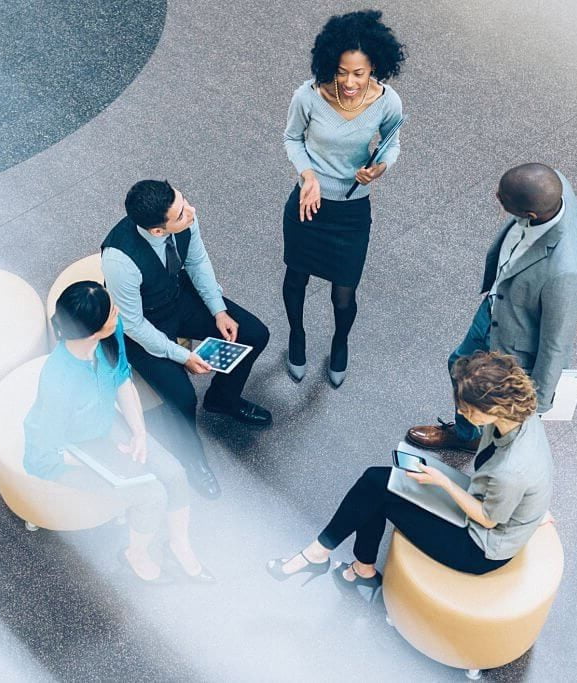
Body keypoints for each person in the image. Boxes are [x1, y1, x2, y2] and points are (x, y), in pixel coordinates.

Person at [268, 351, 554, 599]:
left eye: (468, 410)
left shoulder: (512, 470)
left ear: (494, 408)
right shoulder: (520, 415)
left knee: (377, 494)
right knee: (376, 481)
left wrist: (443, 482)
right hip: (487, 503)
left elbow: (488, 519)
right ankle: (340, 562)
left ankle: (327, 560)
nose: (463, 414)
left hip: (478, 547)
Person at [24, 281, 212, 584]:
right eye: (112, 312)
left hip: (102, 423)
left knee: (175, 473)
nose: (118, 312)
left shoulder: (111, 335)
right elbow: (50, 449)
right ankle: (134, 554)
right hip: (68, 451)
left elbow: (122, 379)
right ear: (92, 331)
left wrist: (139, 433)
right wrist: (110, 463)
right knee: (150, 495)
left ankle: (179, 544)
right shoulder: (59, 381)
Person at [101, 180, 272, 500]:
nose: (191, 211)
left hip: (178, 298)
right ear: (157, 230)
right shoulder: (119, 260)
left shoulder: (186, 217)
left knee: (254, 334)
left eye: (184, 202)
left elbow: (197, 262)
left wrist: (218, 310)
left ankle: (222, 399)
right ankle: (192, 460)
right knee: (182, 398)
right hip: (146, 324)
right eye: (180, 214)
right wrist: (183, 357)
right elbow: (134, 325)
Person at [408, 164, 577, 451]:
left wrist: (536, 405)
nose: (496, 196)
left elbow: (556, 343)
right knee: (458, 365)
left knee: (485, 395)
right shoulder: (551, 185)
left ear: (530, 214)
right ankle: (469, 433)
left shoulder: (567, 272)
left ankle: (474, 440)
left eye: (503, 199)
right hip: (495, 307)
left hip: (513, 343)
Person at [282, 10, 406, 387]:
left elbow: (391, 145)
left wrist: (379, 169)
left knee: (344, 293)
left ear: (375, 68)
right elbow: (292, 139)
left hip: (352, 212)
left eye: (359, 73)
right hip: (308, 203)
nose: (350, 82)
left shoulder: (388, 102)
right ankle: (297, 336)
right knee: (296, 278)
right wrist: (308, 176)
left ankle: (340, 341)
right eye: (342, 72)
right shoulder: (308, 96)